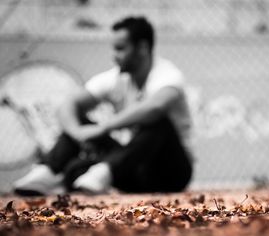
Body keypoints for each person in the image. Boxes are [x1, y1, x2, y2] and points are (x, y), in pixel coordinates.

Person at [13, 16, 193, 195]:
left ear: (143, 48)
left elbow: (155, 107)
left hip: (171, 172)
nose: (114, 56)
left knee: (157, 122)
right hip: (132, 166)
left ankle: (105, 170)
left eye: (120, 49)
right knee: (77, 155)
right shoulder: (115, 78)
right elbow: (68, 105)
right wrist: (78, 133)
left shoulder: (168, 74)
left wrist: (104, 127)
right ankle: (49, 171)